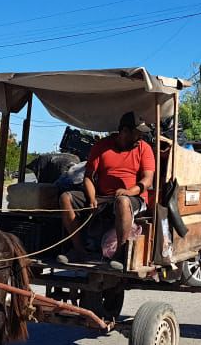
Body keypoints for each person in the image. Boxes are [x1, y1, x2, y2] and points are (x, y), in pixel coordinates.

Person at [58, 112, 155, 267]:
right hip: (104, 197)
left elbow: (147, 180)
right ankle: (79, 251)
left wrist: (129, 191)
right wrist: (91, 199)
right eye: (137, 134)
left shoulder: (144, 149)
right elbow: (88, 176)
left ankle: (120, 253)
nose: (140, 138)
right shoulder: (101, 146)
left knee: (122, 201)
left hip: (134, 198)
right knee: (66, 198)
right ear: (124, 132)